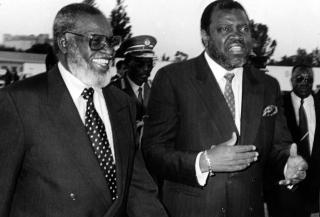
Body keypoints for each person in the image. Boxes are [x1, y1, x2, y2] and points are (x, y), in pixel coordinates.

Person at [142, 1, 308, 217]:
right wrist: (204, 161)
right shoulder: (173, 79)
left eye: (244, 28)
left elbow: (279, 146)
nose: (237, 35)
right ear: (205, 36)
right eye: (225, 29)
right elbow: (153, 151)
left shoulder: (268, 86)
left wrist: (289, 164)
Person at [0, 3, 167, 217]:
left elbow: (137, 187)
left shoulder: (122, 104)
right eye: (96, 41)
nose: (108, 51)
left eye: (111, 41)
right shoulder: (18, 103)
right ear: (65, 43)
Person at [265, 64, 320, 217]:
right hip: (281, 184)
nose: (304, 82)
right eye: (299, 78)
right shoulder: (278, 104)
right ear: (291, 80)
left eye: (309, 79)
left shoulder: (319, 104)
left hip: (310, 186)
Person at [113, 35, 156, 144]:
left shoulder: (157, 89)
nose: (146, 69)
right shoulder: (112, 90)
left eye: (149, 64)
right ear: (127, 64)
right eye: (140, 64)